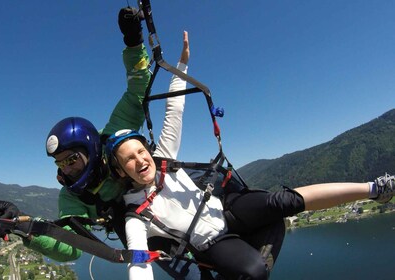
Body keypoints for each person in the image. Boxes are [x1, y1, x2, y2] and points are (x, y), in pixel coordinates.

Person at [104, 63, 395, 279]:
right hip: (213, 243)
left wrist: (180, 66)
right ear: (120, 171)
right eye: (129, 159)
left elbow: (173, 111)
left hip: (228, 209)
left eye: (141, 151)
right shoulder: (136, 215)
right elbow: (139, 261)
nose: (140, 159)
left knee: (283, 202)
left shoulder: (165, 159)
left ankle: (375, 189)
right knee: (255, 272)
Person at [0, 8, 200, 278]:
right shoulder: (73, 195)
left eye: (72, 160)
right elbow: (70, 245)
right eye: (60, 163)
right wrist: (24, 227)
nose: (66, 169)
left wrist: (134, 42)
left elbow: (138, 89)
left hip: (163, 193)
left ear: (92, 150)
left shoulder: (113, 136)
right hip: (138, 225)